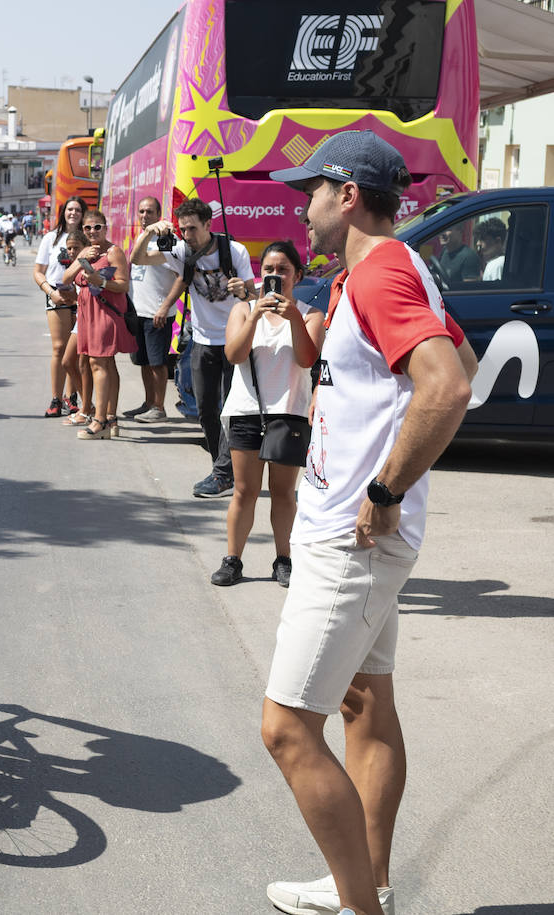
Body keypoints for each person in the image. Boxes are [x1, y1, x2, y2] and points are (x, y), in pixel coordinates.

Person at [261, 130, 478, 915]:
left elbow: (447, 386)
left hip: (350, 538)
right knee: (363, 703)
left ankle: (362, 908)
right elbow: (467, 365)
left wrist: (385, 489)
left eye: (310, 190)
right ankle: (366, 882)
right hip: (363, 535)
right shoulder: (396, 266)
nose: (302, 206)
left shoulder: (383, 269)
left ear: (347, 193)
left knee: (286, 728)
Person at [212, 240, 324, 588]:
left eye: (283, 270)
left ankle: (284, 559)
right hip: (247, 411)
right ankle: (233, 560)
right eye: (269, 271)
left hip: (288, 412)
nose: (275, 277)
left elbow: (307, 360)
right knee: (244, 491)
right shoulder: (243, 310)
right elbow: (233, 354)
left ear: (298, 275)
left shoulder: (310, 314)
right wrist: (257, 314)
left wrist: (291, 316)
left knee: (282, 492)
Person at [131, 198, 255, 498]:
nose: (187, 235)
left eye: (193, 229)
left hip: (233, 340)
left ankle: (224, 474)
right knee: (205, 411)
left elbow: (252, 291)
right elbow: (137, 258)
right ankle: (220, 467)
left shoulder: (233, 251)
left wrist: (243, 291)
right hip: (202, 342)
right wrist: (150, 231)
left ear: (208, 225)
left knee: (230, 409)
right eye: (183, 229)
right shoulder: (181, 251)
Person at [65, 211, 134, 440]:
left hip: (106, 312)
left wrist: (101, 281)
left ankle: (100, 420)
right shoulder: (85, 252)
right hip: (87, 314)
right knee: (106, 363)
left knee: (98, 362)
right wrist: (82, 256)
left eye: (97, 227)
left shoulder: (113, 251)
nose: (93, 232)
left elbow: (123, 285)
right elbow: (66, 278)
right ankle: (111, 417)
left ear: (106, 228)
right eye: (88, 228)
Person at [123, 196, 177, 423]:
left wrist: (164, 307)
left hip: (157, 314)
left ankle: (160, 407)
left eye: (149, 212)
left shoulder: (168, 242)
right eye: (141, 212)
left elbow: (180, 278)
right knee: (144, 362)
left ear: (158, 215)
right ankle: (148, 403)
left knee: (157, 363)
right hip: (139, 313)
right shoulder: (143, 239)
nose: (145, 216)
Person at [33, 196, 86, 418]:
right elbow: (38, 272)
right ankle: (56, 398)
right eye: (69, 209)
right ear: (63, 212)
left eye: (77, 210)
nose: (73, 213)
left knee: (78, 351)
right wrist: (51, 292)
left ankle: (71, 397)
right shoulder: (51, 239)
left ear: (83, 213)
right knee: (59, 348)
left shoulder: (89, 237)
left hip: (82, 296)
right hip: (57, 296)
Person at [474, 217, 506, 282]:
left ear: (497, 241)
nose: (478, 243)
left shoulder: (496, 265)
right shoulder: (501, 262)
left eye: (482, 239)